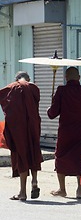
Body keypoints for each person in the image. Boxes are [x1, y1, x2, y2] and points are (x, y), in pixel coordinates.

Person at [47, 67, 81, 199]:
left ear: (65, 78)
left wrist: (52, 103)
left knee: (61, 158)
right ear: (79, 78)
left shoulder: (61, 91)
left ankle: (62, 189)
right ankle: (79, 191)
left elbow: (52, 114)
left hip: (66, 133)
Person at [0, 71, 43, 201]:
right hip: (33, 126)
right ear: (28, 79)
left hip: (19, 128)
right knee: (33, 151)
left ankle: (22, 192)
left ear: (16, 79)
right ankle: (34, 181)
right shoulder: (34, 88)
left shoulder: (11, 88)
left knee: (22, 155)